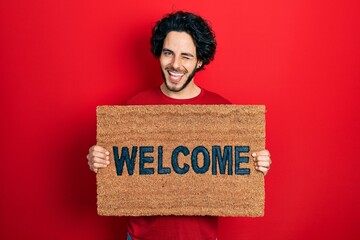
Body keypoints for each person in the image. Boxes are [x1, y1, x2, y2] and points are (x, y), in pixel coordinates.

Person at [87, 11, 272, 240]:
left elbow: (235, 174)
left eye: (186, 56)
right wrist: (99, 160)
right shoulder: (135, 108)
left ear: (200, 60)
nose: (175, 64)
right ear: (159, 54)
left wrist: (256, 163)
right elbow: (119, 169)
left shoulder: (223, 112)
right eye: (168, 53)